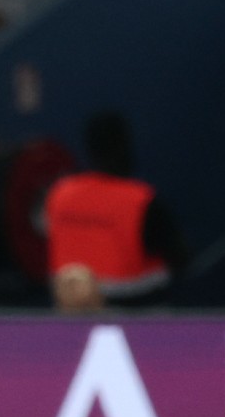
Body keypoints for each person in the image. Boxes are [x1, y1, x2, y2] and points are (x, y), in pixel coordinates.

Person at [44, 110, 188, 311]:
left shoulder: (59, 194)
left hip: (71, 314)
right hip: (137, 316)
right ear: (125, 146)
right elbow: (181, 260)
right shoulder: (140, 200)